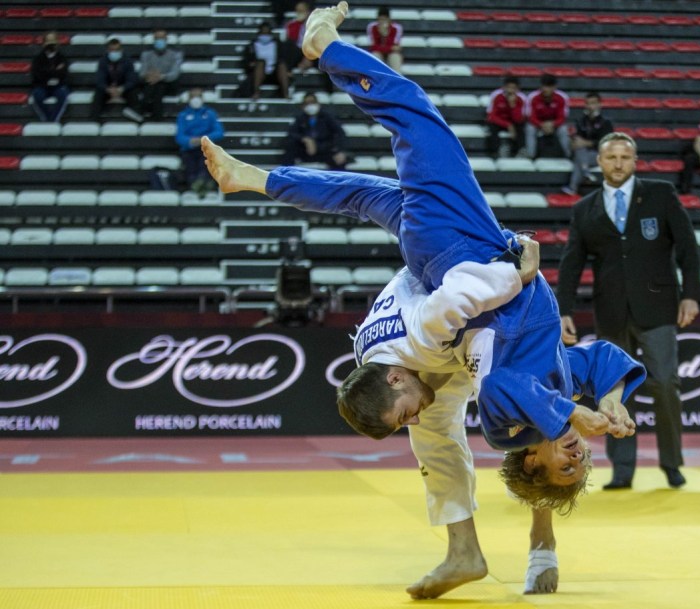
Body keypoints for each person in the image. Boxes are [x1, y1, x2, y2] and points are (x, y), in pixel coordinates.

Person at [203, 3, 643, 598]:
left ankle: (323, 50)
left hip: (450, 261)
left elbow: (451, 308)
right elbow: (578, 364)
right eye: (576, 460)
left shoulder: (409, 344)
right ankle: (470, 550)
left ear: (389, 380)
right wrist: (606, 394)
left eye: (401, 406)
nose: (576, 453)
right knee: (437, 436)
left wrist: (514, 271)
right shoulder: (397, 365)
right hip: (444, 284)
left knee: (414, 116)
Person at [556, 132, 700, 491]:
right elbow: (572, 263)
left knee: (666, 382)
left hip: (658, 306)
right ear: (600, 162)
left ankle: (672, 463)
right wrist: (564, 310)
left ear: (635, 161)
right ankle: (622, 468)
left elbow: (687, 246)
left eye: (625, 157)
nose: (618, 163)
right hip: (611, 310)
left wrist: (692, 295)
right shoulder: (585, 208)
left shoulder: (660, 194)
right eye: (611, 157)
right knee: (614, 391)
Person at [176, 88, 225, 197]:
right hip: (189, 149)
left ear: (202, 98)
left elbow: (219, 132)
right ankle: (195, 184)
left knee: (206, 161)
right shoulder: (183, 115)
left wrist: (204, 139)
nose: (196, 99)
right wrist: (190, 141)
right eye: (193, 97)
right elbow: (179, 137)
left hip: (206, 147)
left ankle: (203, 183)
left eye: (198, 96)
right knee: (190, 163)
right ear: (189, 99)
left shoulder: (210, 113)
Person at [562, 92, 613, 195]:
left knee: (579, 156)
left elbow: (605, 144)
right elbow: (577, 138)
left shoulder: (606, 123)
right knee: (579, 150)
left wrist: (586, 143)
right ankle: (585, 172)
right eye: (588, 103)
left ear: (599, 104)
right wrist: (574, 142)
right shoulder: (581, 121)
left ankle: (573, 187)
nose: (590, 106)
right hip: (582, 153)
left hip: (598, 155)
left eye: (593, 103)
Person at [280, 92, 348, 169]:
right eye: (307, 103)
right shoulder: (300, 118)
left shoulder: (327, 117)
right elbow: (291, 133)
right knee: (290, 144)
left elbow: (340, 133)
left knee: (339, 160)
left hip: (324, 150)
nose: (310, 106)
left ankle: (338, 180)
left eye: (312, 102)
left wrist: (340, 150)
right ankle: (286, 176)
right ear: (303, 106)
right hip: (307, 151)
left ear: (318, 104)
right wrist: (305, 139)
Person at [91, 38, 142, 123]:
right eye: (112, 50)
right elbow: (100, 80)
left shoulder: (128, 61)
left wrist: (121, 88)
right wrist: (108, 89)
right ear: (108, 50)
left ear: (121, 50)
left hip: (123, 88)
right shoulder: (103, 61)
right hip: (108, 88)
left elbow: (132, 79)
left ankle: (136, 116)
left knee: (133, 92)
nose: (114, 52)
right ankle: (95, 120)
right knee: (98, 93)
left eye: (117, 50)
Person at [139, 29, 183, 121]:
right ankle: (156, 116)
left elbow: (174, 74)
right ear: (154, 39)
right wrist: (149, 75)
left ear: (166, 39)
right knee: (154, 87)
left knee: (159, 86)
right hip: (151, 82)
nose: (159, 40)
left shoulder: (175, 55)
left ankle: (141, 112)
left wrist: (160, 77)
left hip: (169, 84)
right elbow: (142, 73)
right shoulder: (146, 55)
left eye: (162, 38)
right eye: (157, 38)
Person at [525, 74, 571, 159]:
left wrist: (552, 124)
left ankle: (567, 155)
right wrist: (541, 125)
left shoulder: (562, 97)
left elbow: (562, 117)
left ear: (554, 87)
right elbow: (531, 117)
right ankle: (530, 155)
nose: (546, 89)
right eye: (544, 86)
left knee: (563, 130)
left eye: (549, 87)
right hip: (538, 124)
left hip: (554, 124)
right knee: (530, 128)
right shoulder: (533, 97)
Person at [242, 22, 290, 100]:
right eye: (263, 33)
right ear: (259, 33)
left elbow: (283, 57)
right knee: (261, 62)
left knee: (282, 65)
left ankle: (286, 94)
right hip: (258, 72)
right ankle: (256, 92)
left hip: (275, 72)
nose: (265, 35)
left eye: (267, 33)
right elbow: (247, 60)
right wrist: (251, 64)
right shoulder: (252, 45)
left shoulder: (277, 44)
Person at [29, 31, 69, 123]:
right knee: (37, 95)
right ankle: (46, 119)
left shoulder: (62, 58)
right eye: (49, 43)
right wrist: (54, 72)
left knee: (63, 94)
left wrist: (47, 72)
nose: (51, 46)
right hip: (42, 85)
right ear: (43, 44)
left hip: (58, 86)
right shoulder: (38, 59)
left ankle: (54, 120)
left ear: (57, 44)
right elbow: (37, 75)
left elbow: (63, 74)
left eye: (53, 43)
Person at [485, 76, 527, 158]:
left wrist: (513, 106)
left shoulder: (521, 98)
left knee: (521, 127)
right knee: (492, 127)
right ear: (504, 87)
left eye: (513, 88)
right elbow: (491, 116)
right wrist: (507, 125)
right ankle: (495, 152)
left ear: (517, 89)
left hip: (514, 122)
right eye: (508, 87)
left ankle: (519, 151)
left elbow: (519, 119)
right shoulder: (496, 95)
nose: (510, 90)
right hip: (499, 122)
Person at [366, 6, 403, 72]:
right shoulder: (372, 27)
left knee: (395, 57)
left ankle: (397, 79)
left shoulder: (396, 28)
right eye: (380, 19)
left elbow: (396, 47)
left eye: (384, 19)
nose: (382, 22)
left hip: (391, 53)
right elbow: (373, 47)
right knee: (375, 55)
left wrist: (386, 35)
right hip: (379, 52)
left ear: (389, 20)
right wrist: (382, 36)